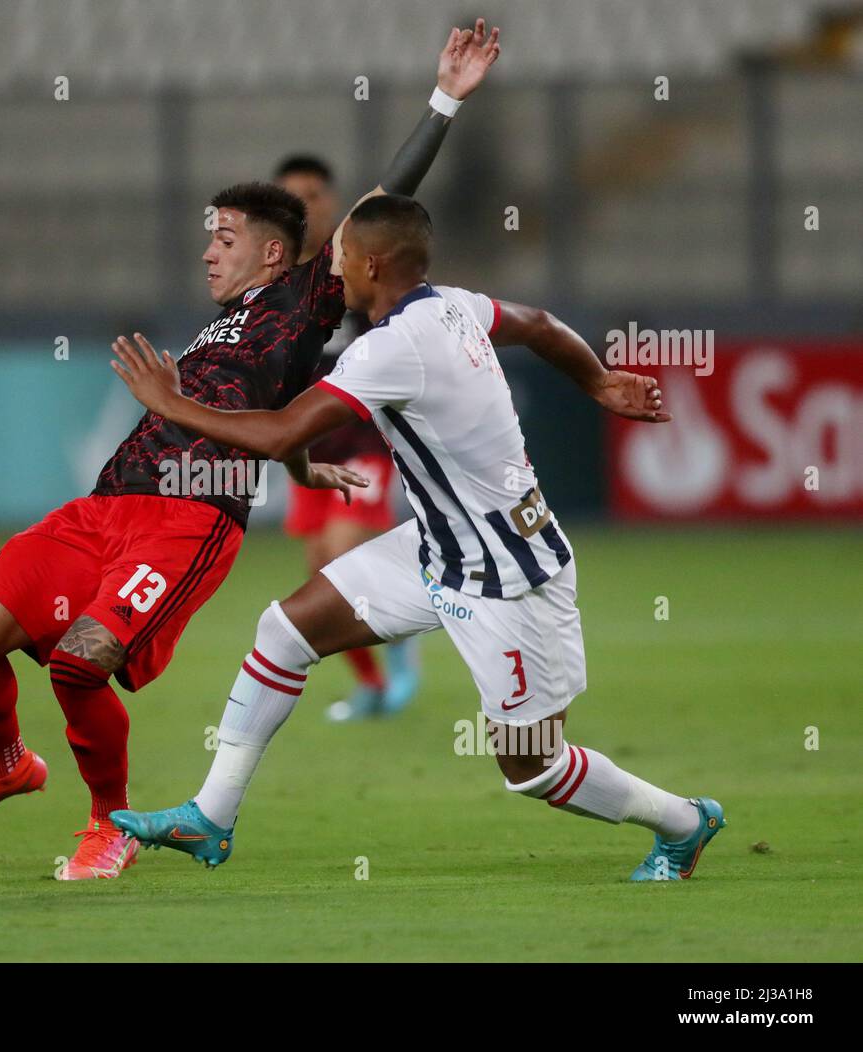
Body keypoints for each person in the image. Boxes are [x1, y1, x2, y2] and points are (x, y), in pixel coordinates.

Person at [0, 22, 503, 879]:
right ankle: (6, 768)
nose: (207, 250)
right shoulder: (222, 325)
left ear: (273, 251)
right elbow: (261, 405)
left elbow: (382, 198)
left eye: (223, 238)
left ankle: (106, 824)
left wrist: (445, 98)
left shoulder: (307, 295)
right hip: (103, 507)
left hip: (188, 520)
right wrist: (303, 463)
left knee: (82, 663)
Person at [108, 193, 726, 883]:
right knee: (284, 631)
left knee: (533, 767)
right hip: (438, 548)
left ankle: (684, 822)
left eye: (341, 256)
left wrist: (172, 405)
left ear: (371, 264)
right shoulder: (454, 305)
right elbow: (542, 324)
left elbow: (282, 430)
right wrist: (599, 382)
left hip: (507, 576)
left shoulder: (394, 348)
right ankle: (211, 815)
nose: (332, 268)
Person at [275, 155, 420, 721]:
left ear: (332, 203)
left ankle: (405, 649)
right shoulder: (273, 286)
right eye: (293, 196)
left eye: (315, 193)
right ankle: (375, 686)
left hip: (360, 445)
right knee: (322, 582)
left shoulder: (350, 268)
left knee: (342, 556)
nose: (305, 205)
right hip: (308, 453)